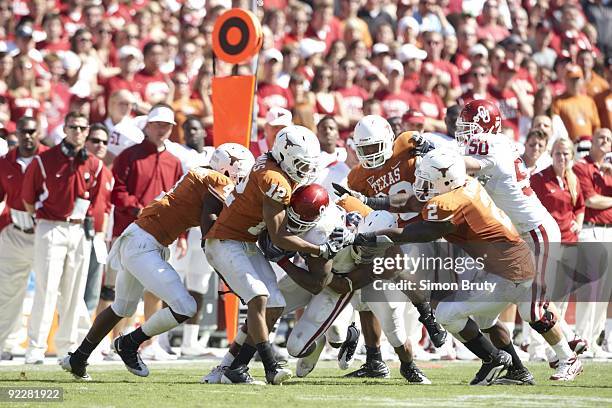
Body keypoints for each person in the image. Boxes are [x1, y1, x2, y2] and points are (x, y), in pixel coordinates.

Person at [351, 149, 555, 385]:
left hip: (510, 272)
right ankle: (517, 370)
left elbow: (420, 232)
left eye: (427, 180)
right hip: (508, 265)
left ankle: (493, 360)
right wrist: (368, 201)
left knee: (446, 314)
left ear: (445, 179)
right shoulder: (464, 185)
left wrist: (372, 236)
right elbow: (416, 203)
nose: (422, 184)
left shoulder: (452, 202)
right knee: (486, 321)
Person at [61, 143, 254, 380]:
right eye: (241, 174)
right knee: (186, 307)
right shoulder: (217, 179)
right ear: (228, 169)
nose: (242, 180)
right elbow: (210, 227)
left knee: (122, 307)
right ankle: (130, 343)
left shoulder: (203, 173)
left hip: (141, 239)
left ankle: (78, 357)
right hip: (144, 245)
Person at [456, 99, 585, 378]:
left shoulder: (490, 146)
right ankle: (563, 343)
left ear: (485, 127)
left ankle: (568, 357)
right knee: (500, 308)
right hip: (517, 237)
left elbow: (460, 166)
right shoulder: (497, 144)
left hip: (535, 233)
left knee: (531, 308)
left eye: (470, 127)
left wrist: (432, 155)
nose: (465, 134)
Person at [204, 125, 342, 385]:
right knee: (258, 298)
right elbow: (278, 236)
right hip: (225, 241)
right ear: (285, 155)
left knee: (275, 304)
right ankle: (269, 365)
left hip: (245, 241)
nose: (305, 171)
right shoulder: (274, 179)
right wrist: (318, 249)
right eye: (300, 164)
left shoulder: (272, 163)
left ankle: (236, 368)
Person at [332, 115, 447, 378]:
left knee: (395, 271)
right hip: (387, 229)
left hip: (420, 225)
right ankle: (373, 357)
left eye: (375, 147)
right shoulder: (357, 176)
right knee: (367, 289)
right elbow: (360, 211)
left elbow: (448, 162)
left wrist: (432, 151)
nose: (370, 155)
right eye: (365, 149)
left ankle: (427, 315)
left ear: (387, 141)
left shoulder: (407, 142)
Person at [22, 112, 104, 364]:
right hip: (51, 226)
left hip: (80, 229)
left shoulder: (94, 163)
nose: (78, 132)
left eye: (82, 127)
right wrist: (42, 220)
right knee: (46, 289)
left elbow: (96, 201)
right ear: (65, 129)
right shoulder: (44, 160)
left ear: (87, 130)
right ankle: (35, 348)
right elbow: (28, 197)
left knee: (74, 291)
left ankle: (67, 346)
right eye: (73, 127)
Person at [111, 104, 184, 361]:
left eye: (167, 125)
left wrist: (183, 235)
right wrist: (139, 209)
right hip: (131, 232)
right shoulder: (128, 156)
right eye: (158, 124)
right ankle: (117, 340)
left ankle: (150, 344)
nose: (162, 129)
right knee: (124, 291)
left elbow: (179, 200)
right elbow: (117, 192)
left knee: (156, 289)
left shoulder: (174, 162)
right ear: (147, 125)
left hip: (162, 234)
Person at [0, 117, 48, 360]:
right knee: (8, 292)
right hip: (15, 232)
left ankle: (72, 344)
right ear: (16, 133)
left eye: (32, 130)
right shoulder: (4, 162)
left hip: (46, 230)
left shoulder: (51, 158)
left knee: (56, 290)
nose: (28, 135)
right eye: (23, 131)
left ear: (39, 131)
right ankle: (5, 345)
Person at [572, 128, 612, 359]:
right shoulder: (582, 167)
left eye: (608, 140)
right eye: (601, 139)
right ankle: (581, 339)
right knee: (590, 289)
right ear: (593, 142)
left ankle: (594, 341)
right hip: (591, 230)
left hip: (609, 231)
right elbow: (591, 200)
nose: (605, 143)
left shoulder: (608, 170)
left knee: (604, 291)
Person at [82, 124, 113, 314]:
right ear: (85, 142)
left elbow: (107, 208)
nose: (100, 145)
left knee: (92, 290)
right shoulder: (78, 165)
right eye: (95, 140)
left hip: (98, 236)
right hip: (78, 231)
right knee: (71, 288)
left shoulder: (108, 173)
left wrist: (102, 236)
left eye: (104, 141)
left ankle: (83, 338)